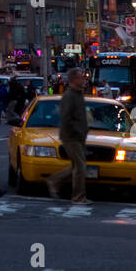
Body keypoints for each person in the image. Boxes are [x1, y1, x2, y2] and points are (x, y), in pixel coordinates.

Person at [45, 67, 89, 205]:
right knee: (80, 167)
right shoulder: (69, 96)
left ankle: (54, 180)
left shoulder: (78, 94)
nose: (83, 80)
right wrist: (77, 131)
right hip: (71, 136)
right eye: (81, 77)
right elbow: (66, 117)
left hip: (78, 136)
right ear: (74, 79)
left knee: (77, 166)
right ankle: (78, 197)